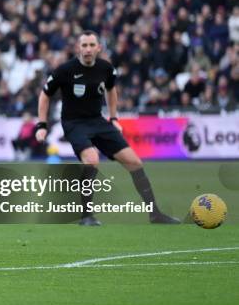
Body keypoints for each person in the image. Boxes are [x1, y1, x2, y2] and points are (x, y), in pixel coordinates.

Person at [36, 31, 180, 226]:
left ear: (98, 48)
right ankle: (86, 216)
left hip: (98, 121)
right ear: (78, 48)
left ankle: (155, 214)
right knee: (92, 160)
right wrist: (42, 125)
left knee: (135, 162)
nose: (87, 49)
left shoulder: (106, 68)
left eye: (91, 45)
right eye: (84, 45)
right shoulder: (65, 70)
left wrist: (113, 117)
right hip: (74, 123)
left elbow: (112, 90)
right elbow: (45, 95)